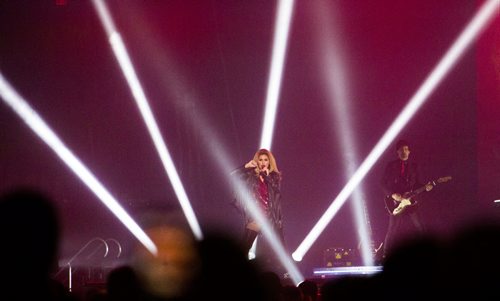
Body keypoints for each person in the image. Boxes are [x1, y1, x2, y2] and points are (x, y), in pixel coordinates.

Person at [230, 148, 285, 274]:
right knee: (245, 246)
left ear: (269, 162)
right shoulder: (251, 176)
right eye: (260, 160)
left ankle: (277, 276)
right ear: (257, 161)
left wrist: (266, 177)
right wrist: (246, 166)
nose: (263, 162)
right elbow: (232, 176)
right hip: (256, 217)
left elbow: (277, 192)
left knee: (276, 251)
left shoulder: (274, 177)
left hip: (271, 219)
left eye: (266, 160)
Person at [380, 139, 433, 259]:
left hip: (410, 201)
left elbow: (418, 184)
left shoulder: (414, 166)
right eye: (401, 149)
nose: (404, 151)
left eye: (406, 149)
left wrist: (427, 187)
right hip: (395, 202)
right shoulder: (391, 165)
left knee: (420, 226)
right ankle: (385, 255)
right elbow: (382, 183)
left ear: (409, 151)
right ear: (397, 152)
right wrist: (393, 194)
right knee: (392, 228)